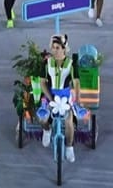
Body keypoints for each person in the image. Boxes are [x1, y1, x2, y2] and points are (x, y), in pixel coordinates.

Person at [39, 33, 80, 163]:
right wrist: (50, 98)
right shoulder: (47, 63)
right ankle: (47, 130)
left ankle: (69, 147)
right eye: (53, 47)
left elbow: (77, 83)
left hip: (65, 97)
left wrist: (77, 99)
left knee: (68, 122)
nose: (55, 50)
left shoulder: (71, 64)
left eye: (58, 47)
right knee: (42, 117)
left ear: (64, 48)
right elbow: (42, 82)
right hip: (49, 95)